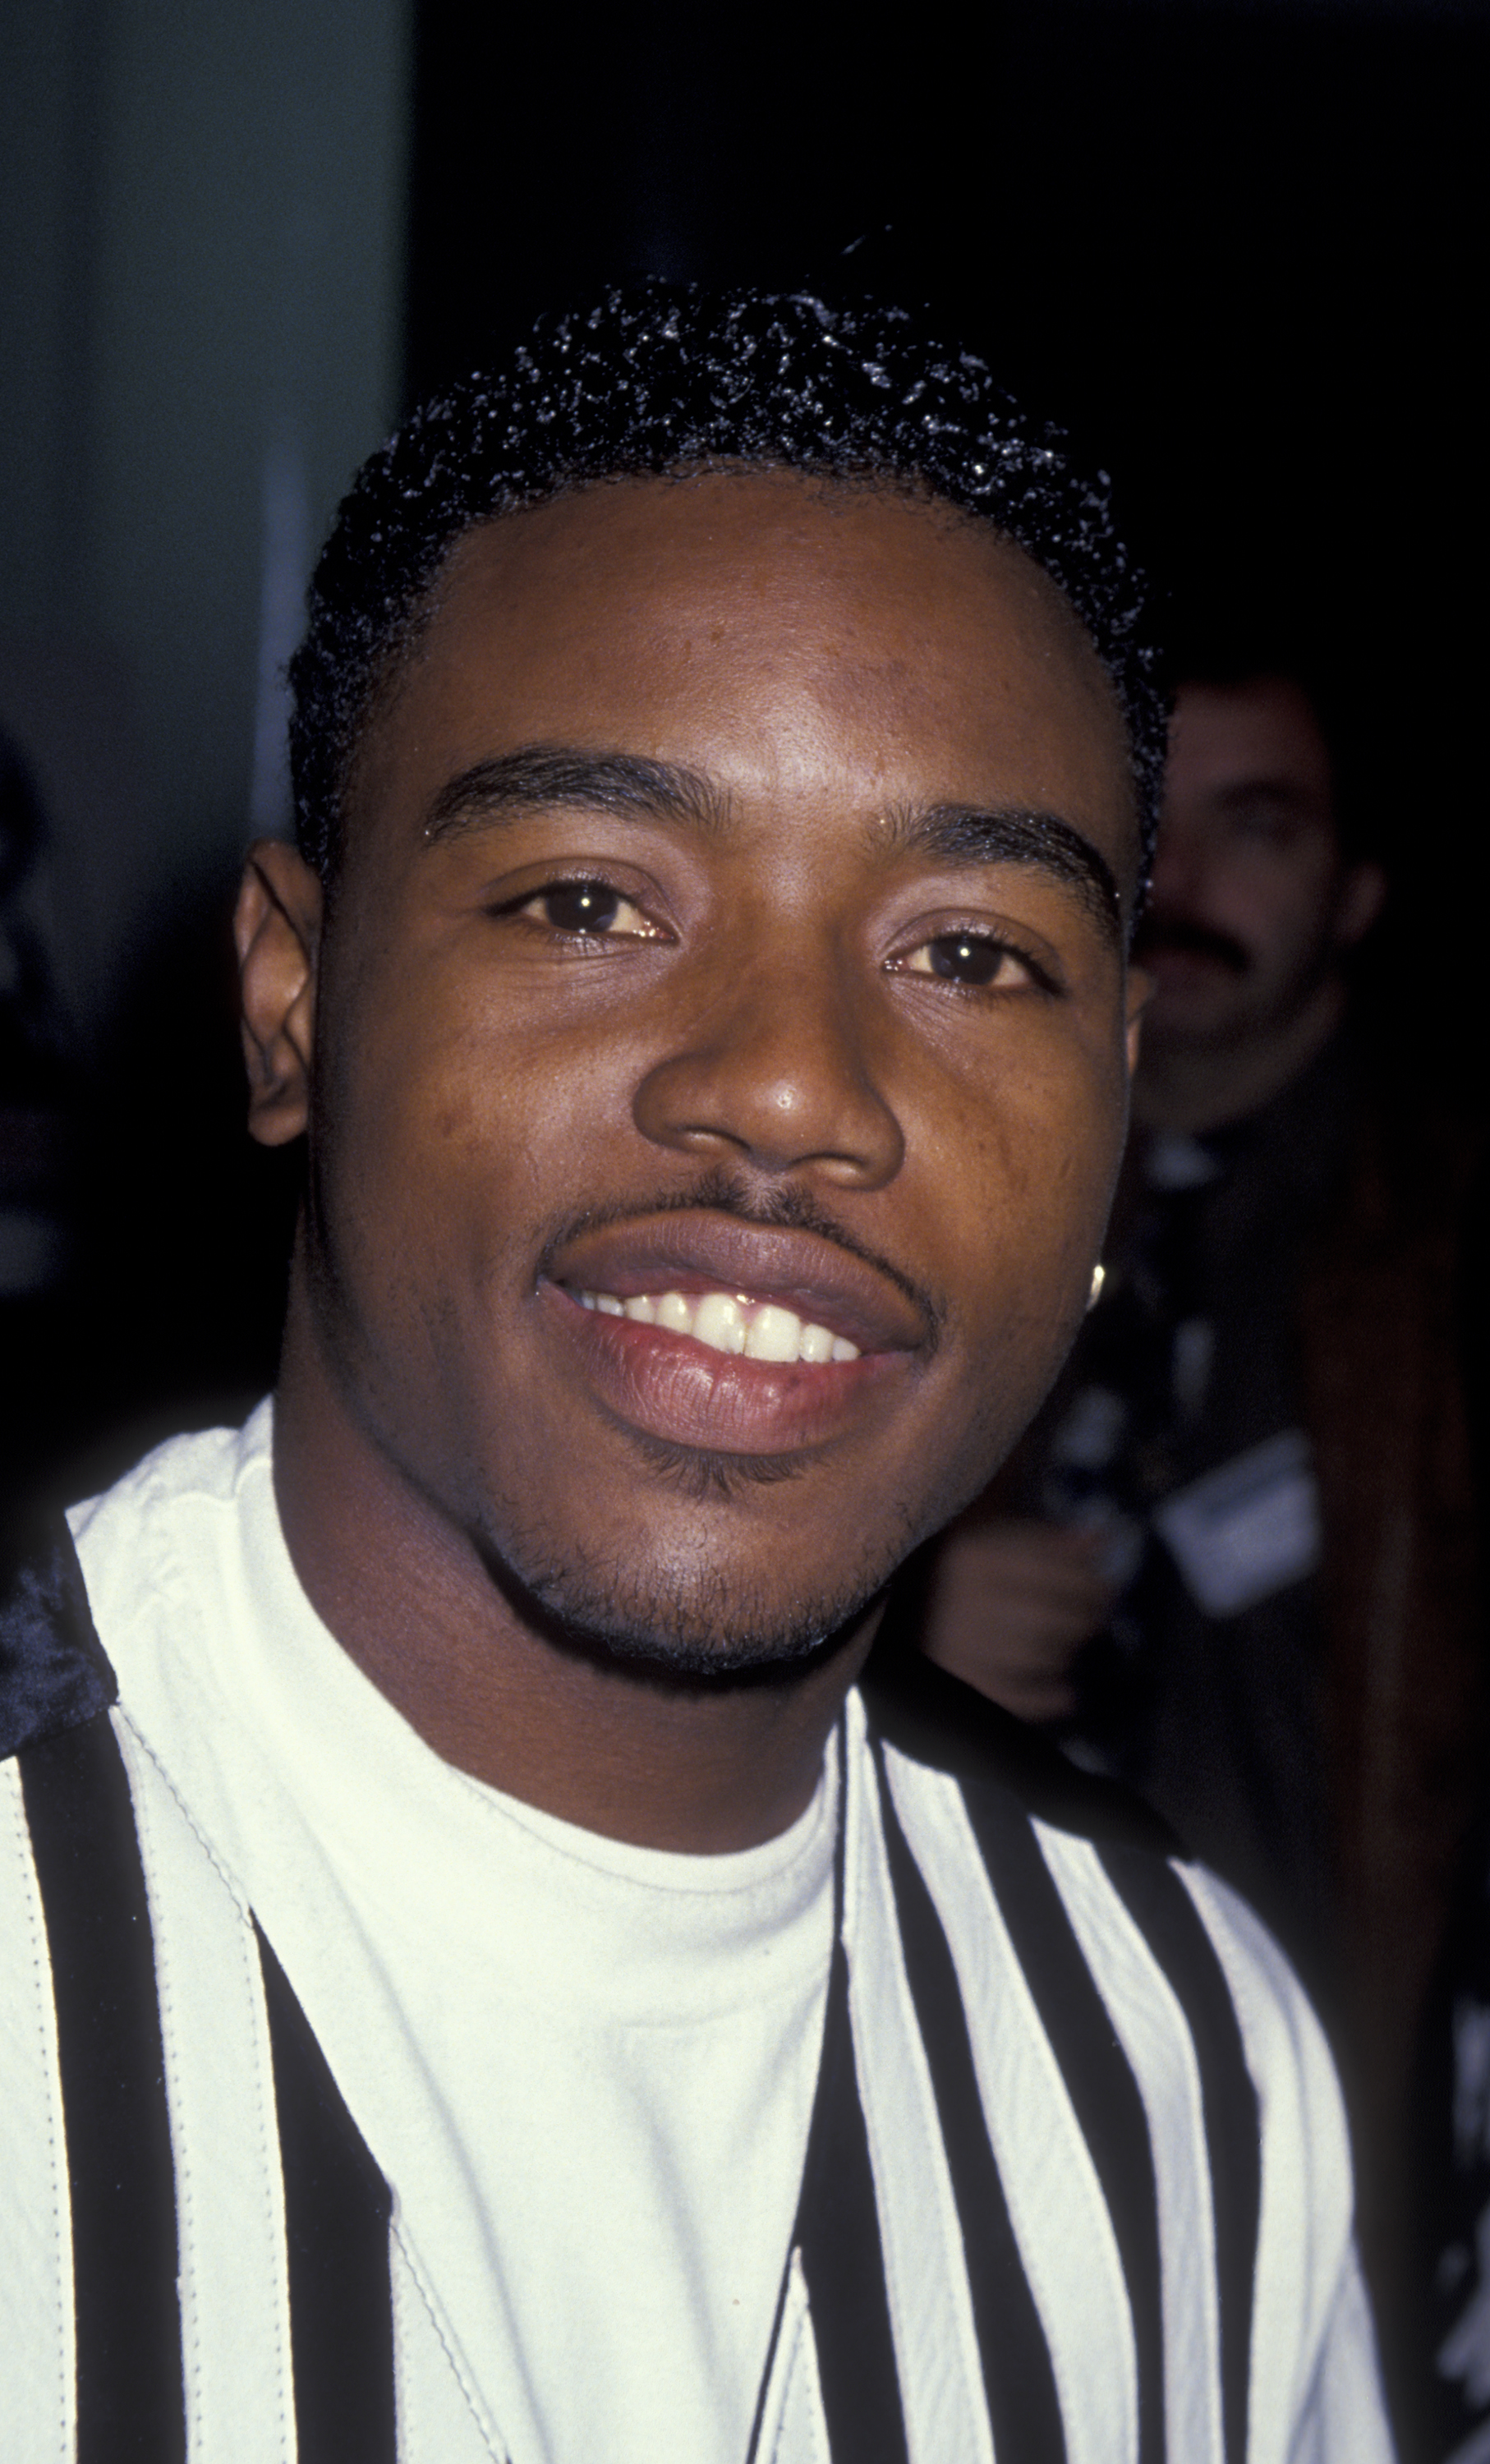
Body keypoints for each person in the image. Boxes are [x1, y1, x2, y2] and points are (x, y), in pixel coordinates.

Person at [0, 290, 1392, 2462]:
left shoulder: (1183, 2066)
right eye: (587, 901)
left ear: (1111, 1092)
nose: (788, 1090)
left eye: (966, 953)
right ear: (291, 1003)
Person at [915, 637, 1484, 2323]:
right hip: (993, 2079)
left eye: (1265, 828)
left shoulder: (1447, 1231)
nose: (1188, 881)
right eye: (1153, 823)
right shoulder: (933, 1172)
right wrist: (891, 1628)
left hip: (1357, 2114)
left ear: (1359, 891)